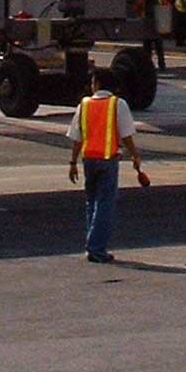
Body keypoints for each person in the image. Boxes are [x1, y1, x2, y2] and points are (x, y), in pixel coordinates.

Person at [66, 68, 145, 264]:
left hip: (88, 159)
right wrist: (135, 156)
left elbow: (77, 137)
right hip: (108, 159)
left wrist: (73, 162)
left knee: (91, 202)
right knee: (105, 204)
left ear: (98, 84)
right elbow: (126, 135)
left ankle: (91, 244)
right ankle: (96, 248)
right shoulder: (118, 104)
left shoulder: (84, 105)